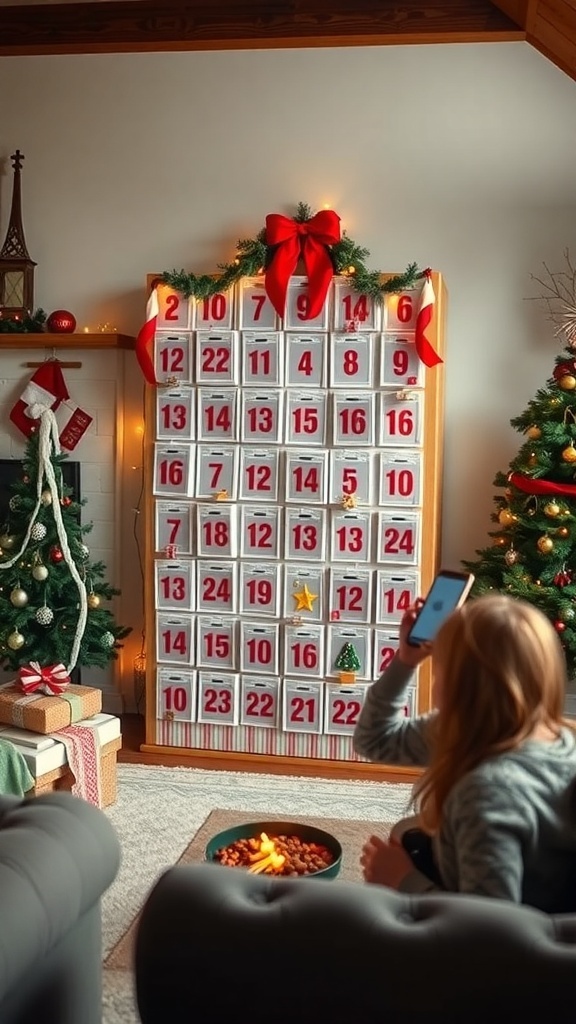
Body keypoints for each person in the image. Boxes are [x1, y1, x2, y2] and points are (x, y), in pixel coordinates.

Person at [353, 593, 576, 912]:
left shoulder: (487, 794)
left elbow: (486, 931)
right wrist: (406, 659)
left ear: (457, 686)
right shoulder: (561, 735)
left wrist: (402, 879)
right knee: (408, 833)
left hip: (522, 943)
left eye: (438, 668)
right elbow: (374, 739)